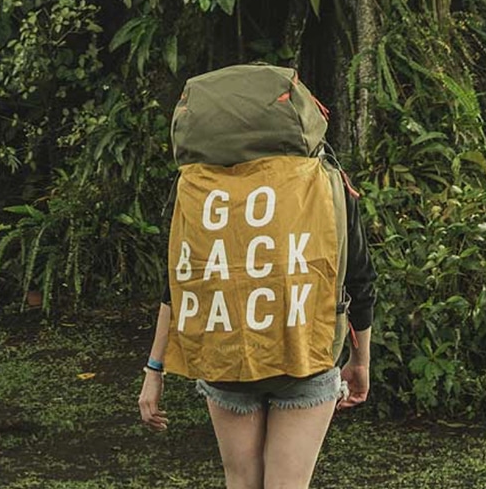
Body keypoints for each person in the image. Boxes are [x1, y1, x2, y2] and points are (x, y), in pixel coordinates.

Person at [138, 67, 376, 489]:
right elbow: (359, 279)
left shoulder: (196, 188)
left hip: (227, 354)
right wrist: (360, 362)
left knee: (241, 481)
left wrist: (154, 370)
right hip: (307, 354)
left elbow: (178, 281)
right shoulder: (327, 183)